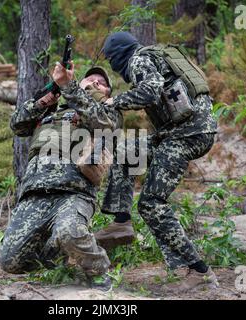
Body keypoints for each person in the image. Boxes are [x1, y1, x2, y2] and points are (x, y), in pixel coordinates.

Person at [96, 31, 219, 291]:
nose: (114, 67)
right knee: (129, 152)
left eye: (111, 61)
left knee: (151, 203)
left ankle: (200, 271)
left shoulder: (139, 60)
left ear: (119, 55)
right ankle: (121, 223)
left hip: (187, 135)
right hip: (180, 132)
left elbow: (150, 93)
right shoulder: (155, 55)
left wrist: (113, 101)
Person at [0, 63, 121, 292]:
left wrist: (70, 87)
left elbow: (103, 124)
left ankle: (98, 270)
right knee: (10, 262)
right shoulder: (51, 110)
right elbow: (17, 124)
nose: (96, 82)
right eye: (91, 79)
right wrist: (47, 98)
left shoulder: (107, 110)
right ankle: (66, 252)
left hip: (74, 192)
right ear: (80, 82)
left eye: (102, 83)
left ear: (107, 94)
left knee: (69, 231)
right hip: (35, 192)